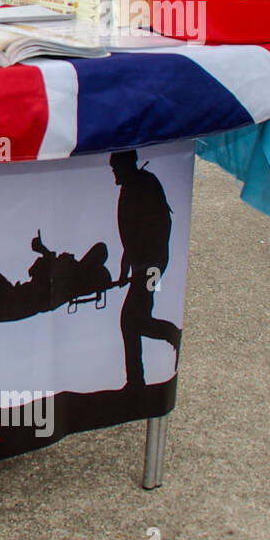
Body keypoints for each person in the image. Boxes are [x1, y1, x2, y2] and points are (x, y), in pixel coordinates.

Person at [110, 150, 182, 389]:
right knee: (134, 319)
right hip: (147, 265)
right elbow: (130, 238)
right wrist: (124, 271)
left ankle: (171, 336)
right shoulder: (132, 188)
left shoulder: (143, 185)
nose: (114, 173)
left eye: (116, 168)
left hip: (151, 267)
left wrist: (143, 264)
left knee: (131, 320)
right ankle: (136, 380)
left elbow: (155, 227)